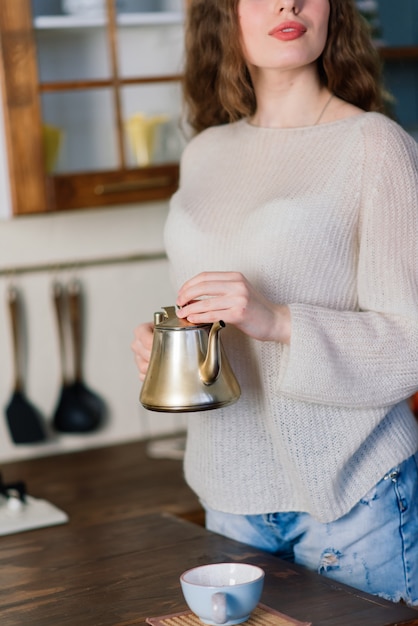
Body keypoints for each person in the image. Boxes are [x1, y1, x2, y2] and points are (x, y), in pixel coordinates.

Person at [131, 0, 418, 606]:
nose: (288, 3)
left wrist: (278, 321)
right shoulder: (205, 152)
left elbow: (411, 342)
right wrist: (169, 346)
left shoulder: (375, 145)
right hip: (228, 490)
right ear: (223, 15)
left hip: (353, 495)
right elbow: (209, 298)